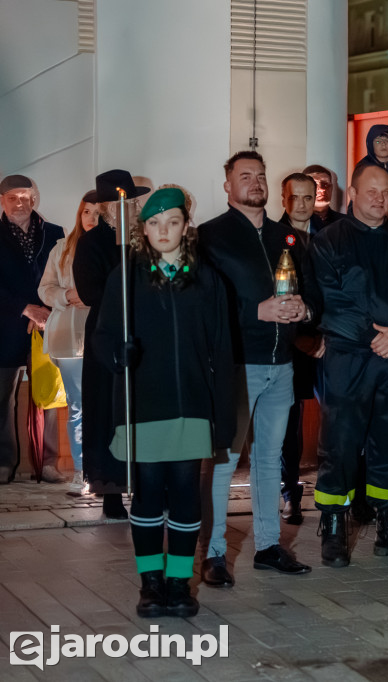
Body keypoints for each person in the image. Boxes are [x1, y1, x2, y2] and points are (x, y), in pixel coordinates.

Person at [94, 187, 235, 617]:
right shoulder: (126, 277)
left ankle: (178, 582)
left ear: (185, 225)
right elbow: (103, 335)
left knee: (187, 494)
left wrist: (223, 416)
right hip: (145, 404)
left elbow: (222, 350)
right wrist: (117, 354)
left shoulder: (207, 279)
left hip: (192, 403)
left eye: (172, 222)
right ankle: (150, 584)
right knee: (149, 493)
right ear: (143, 229)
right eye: (154, 223)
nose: (163, 230)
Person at [306, 164, 388, 567]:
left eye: (386, 193)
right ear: (352, 195)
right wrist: (374, 336)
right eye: (371, 191)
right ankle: (333, 530)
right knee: (340, 445)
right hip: (348, 359)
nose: (380, 199)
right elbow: (329, 300)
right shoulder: (328, 241)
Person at [198, 151, 311, 586]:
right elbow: (204, 303)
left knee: (269, 460)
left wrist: (305, 310)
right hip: (236, 364)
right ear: (228, 185)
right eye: (245, 176)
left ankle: (267, 546)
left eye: (261, 175)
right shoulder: (210, 236)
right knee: (224, 461)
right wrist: (255, 311)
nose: (255, 182)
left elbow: (313, 292)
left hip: (281, 364)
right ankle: (213, 554)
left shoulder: (288, 237)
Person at [74, 170, 146, 518]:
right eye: (118, 203)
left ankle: (145, 485)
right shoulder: (91, 243)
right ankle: (112, 492)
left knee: (140, 412)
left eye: (129, 202)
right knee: (106, 410)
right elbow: (90, 292)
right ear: (104, 208)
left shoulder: (144, 238)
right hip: (106, 335)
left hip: (143, 334)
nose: (126, 208)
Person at [0, 174, 63, 484]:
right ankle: (4, 464)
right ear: (2, 201)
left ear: (33, 198)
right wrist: (25, 308)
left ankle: (48, 464)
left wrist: (45, 312)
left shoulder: (55, 233)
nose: (19, 203)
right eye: (12, 198)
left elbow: (61, 276)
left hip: (46, 324)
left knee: (48, 395)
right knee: (3, 398)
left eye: (24, 197)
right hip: (6, 327)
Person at [37, 191, 101, 493]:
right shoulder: (62, 247)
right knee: (77, 405)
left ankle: (108, 470)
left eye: (98, 213)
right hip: (69, 336)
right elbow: (45, 288)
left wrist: (92, 296)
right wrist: (65, 295)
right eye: (87, 212)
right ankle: (82, 470)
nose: (91, 218)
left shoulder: (115, 247)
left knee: (106, 404)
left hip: (103, 333)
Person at [278, 172, 324, 525]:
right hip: (292, 345)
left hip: (329, 341)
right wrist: (303, 339)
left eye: (309, 197)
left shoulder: (331, 233)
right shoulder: (274, 237)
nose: (303, 204)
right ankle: (290, 495)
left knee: (338, 419)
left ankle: (338, 495)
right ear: (284, 199)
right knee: (288, 428)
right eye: (295, 197)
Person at [302, 164, 344, 233]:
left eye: (326, 184)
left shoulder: (347, 223)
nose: (322, 189)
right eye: (315, 185)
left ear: (331, 188)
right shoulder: (292, 224)